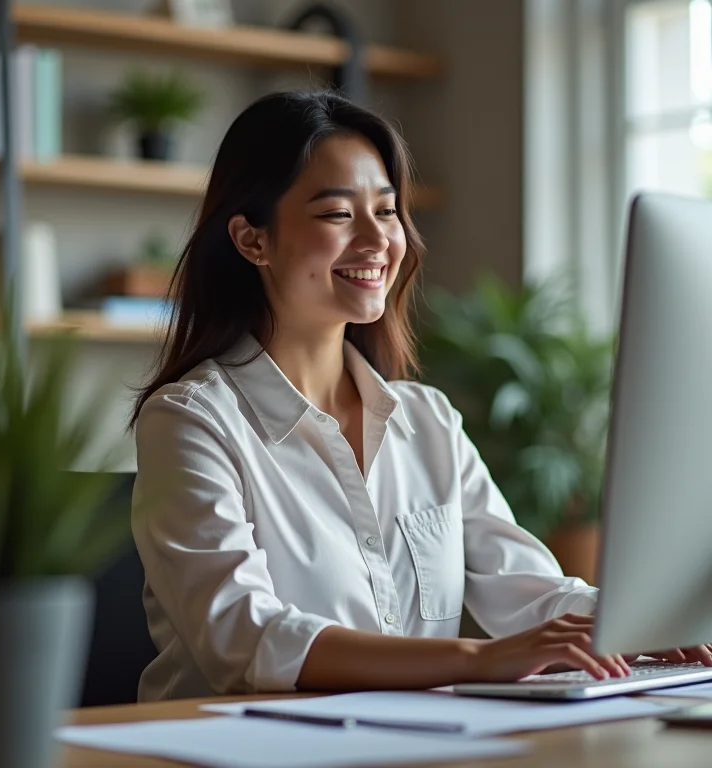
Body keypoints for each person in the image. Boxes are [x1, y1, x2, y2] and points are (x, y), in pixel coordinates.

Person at [130, 90, 712, 702]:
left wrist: (640, 627)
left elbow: (526, 587)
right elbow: (246, 637)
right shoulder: (190, 422)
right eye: (336, 215)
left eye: (385, 212)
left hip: (405, 741)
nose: (377, 240)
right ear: (254, 241)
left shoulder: (426, 420)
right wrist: (477, 658)